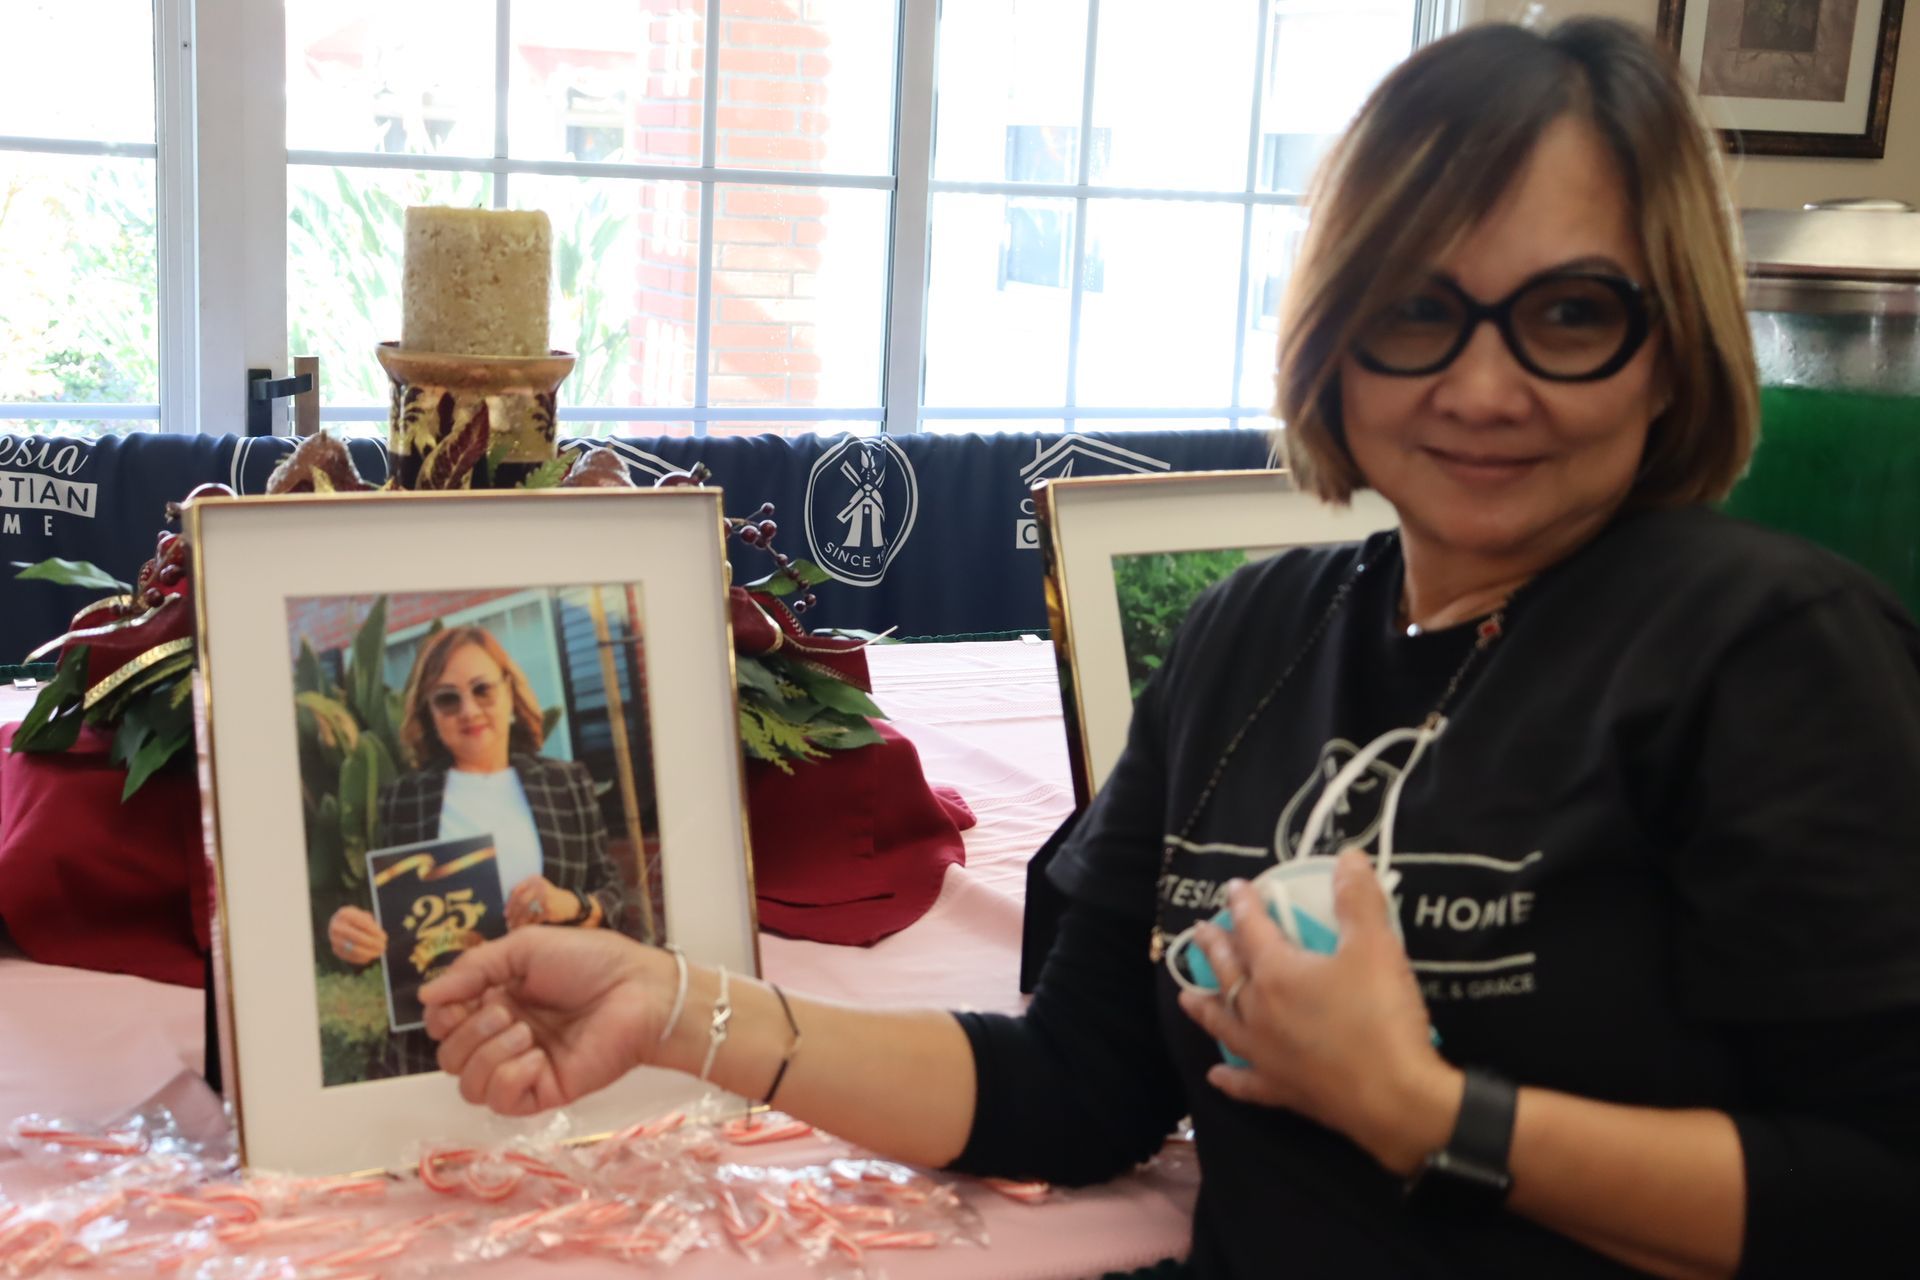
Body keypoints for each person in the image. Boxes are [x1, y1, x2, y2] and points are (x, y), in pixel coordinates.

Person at [418, 20, 1920, 1277]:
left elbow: (1872, 1194)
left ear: (1674, 344)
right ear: (1337, 330)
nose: (1484, 384)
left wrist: (1420, 1110)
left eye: (1571, 314)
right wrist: (677, 1008)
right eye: (1419, 310)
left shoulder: (1771, 652)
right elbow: (1073, 1089)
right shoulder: (1257, 634)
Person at [327, 623, 626, 1077]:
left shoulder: (566, 784)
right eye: (447, 698)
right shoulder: (402, 800)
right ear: (430, 712)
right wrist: (352, 934)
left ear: (509, 692)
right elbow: (389, 918)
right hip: (443, 1037)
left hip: (557, 1024)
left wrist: (571, 904)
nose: (468, 710)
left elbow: (616, 900)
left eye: (482, 689)